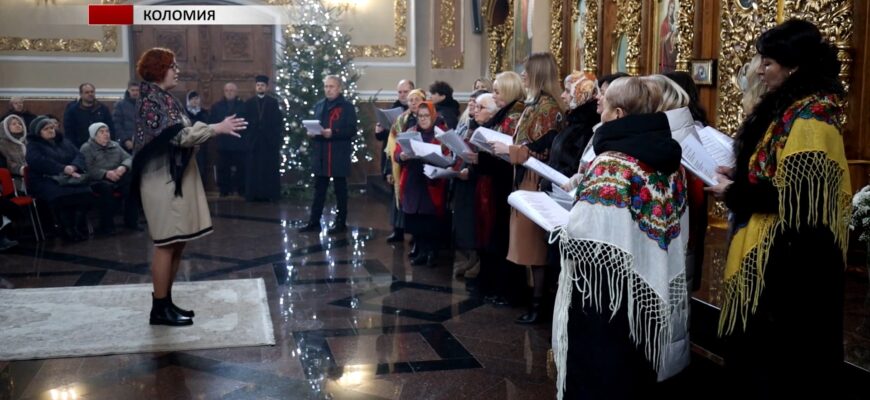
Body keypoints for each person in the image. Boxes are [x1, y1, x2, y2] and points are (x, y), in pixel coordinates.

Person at [705, 19, 851, 394]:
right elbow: (773, 170)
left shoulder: (811, 117)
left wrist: (734, 191)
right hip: (780, 256)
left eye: (768, 62)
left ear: (794, 66)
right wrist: (739, 173)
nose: (759, 69)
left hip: (796, 264)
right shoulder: (788, 109)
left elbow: (798, 200)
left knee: (786, 366)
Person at [553, 76, 689, 399]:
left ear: (618, 115)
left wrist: (561, 227)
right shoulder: (673, 164)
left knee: (601, 374)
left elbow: (584, 234)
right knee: (636, 371)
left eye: (605, 102)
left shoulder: (611, 162)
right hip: (647, 291)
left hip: (605, 296)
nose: (598, 106)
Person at [131, 48, 246, 326]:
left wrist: (210, 129)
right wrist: (214, 128)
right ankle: (159, 309)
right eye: (172, 66)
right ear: (159, 70)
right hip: (161, 182)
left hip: (172, 180)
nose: (177, 71)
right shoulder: (150, 102)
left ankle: (166, 302)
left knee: (177, 242)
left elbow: (182, 132)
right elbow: (178, 136)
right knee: (166, 244)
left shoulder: (164, 99)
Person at [492, 53, 566, 324]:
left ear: (538, 74)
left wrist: (507, 149)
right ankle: (533, 300)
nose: (522, 75)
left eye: (527, 71)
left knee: (535, 248)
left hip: (536, 181)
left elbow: (543, 151)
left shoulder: (548, 107)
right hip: (524, 177)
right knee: (527, 247)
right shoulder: (534, 104)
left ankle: (538, 305)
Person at [473, 72, 526, 307]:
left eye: (497, 91)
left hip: (505, 181)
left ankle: (507, 289)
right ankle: (496, 285)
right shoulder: (506, 114)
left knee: (504, 237)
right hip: (496, 180)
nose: (494, 96)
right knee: (496, 235)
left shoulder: (514, 115)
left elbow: (508, 149)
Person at [299, 75, 358, 234]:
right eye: (326, 86)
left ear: (339, 88)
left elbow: (352, 130)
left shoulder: (347, 107)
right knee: (319, 190)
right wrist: (313, 133)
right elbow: (317, 126)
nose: (328, 89)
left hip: (338, 152)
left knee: (340, 191)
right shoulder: (319, 106)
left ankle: (340, 222)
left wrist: (333, 132)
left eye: (331, 86)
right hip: (322, 153)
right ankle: (314, 221)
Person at [395, 102, 449, 267]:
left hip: (432, 181)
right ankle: (421, 250)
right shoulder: (411, 132)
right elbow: (397, 152)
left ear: (433, 116)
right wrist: (402, 156)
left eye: (426, 116)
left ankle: (432, 252)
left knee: (429, 218)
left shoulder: (442, 134)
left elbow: (448, 155)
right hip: (413, 178)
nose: (423, 119)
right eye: (420, 116)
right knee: (416, 217)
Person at [25, 116, 95, 242]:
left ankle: (77, 227)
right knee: (61, 194)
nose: (51, 130)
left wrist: (74, 166)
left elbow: (79, 155)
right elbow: (37, 161)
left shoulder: (64, 141)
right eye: (46, 129)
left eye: (52, 127)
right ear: (38, 132)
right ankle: (66, 229)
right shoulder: (33, 145)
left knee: (86, 191)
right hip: (44, 179)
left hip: (69, 176)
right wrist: (62, 168)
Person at [451, 89, 488, 277]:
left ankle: (479, 262)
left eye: (478, 103)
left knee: (475, 223)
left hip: (476, 179)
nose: (472, 105)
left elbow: (481, 154)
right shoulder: (470, 122)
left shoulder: (484, 126)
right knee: (465, 222)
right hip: (464, 175)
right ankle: (471, 258)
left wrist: (470, 170)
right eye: (471, 102)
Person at [384, 89, 427, 245]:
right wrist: (389, 169)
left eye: (416, 99)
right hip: (401, 164)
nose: (413, 102)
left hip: (418, 166)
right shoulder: (401, 120)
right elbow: (392, 146)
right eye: (410, 100)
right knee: (399, 200)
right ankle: (399, 230)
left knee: (416, 203)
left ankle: (416, 237)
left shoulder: (426, 119)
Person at [80, 122, 138, 234]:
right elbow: (88, 169)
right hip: (97, 180)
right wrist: (106, 174)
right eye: (101, 132)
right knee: (105, 189)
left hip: (117, 175)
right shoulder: (86, 148)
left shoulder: (115, 145)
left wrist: (123, 167)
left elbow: (129, 158)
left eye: (107, 131)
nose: (106, 134)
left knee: (131, 184)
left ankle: (132, 222)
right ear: (93, 135)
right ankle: (107, 226)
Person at [376, 79, 413, 242]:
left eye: (405, 92)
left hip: (408, 158)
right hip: (392, 157)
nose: (402, 95)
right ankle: (397, 230)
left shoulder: (416, 111)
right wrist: (379, 131)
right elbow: (383, 137)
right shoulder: (393, 109)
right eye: (400, 92)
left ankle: (413, 232)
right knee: (394, 195)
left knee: (409, 195)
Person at [243, 75, 283, 202]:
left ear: (266, 87)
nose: (260, 87)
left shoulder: (273, 102)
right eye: (258, 85)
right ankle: (253, 195)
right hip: (254, 141)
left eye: (262, 85)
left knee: (268, 168)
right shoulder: (249, 103)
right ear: (256, 87)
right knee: (253, 168)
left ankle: (269, 195)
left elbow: (277, 122)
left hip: (268, 141)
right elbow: (245, 121)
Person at [210, 82, 247, 197]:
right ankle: (224, 190)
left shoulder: (243, 105)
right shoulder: (217, 106)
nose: (229, 92)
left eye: (232, 90)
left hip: (239, 142)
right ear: (224, 92)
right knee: (223, 168)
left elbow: (247, 122)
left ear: (236, 92)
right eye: (227, 90)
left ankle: (241, 189)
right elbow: (212, 121)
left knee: (241, 168)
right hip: (223, 142)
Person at [63, 83, 115, 148]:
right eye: (87, 92)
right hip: (79, 146)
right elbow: (69, 132)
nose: (90, 94)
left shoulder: (102, 108)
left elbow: (110, 127)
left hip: (102, 146)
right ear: (81, 94)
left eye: (92, 92)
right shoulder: (72, 111)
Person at [185, 91, 211, 185]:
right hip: (187, 142)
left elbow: (207, 126)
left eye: (196, 99)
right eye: (192, 99)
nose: (194, 101)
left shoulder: (204, 112)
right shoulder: (184, 112)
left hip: (201, 142)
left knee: (201, 164)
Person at [0, 115, 28, 188]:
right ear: (5, 127)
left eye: (20, 124)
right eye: (14, 124)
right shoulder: (2, 144)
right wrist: (21, 169)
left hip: (33, 173)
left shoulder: (26, 141)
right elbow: (8, 163)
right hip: (16, 178)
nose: (18, 125)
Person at [113, 81, 140, 152]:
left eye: (137, 90)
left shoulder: (145, 105)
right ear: (128, 90)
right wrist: (125, 140)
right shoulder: (120, 105)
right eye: (133, 90)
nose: (135, 93)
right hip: (127, 143)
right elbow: (117, 125)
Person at [659, 0, 677, 73]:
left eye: (673, 8)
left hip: (672, 52)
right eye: (670, 7)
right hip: (666, 53)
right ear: (667, 8)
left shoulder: (673, 22)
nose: (671, 10)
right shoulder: (664, 23)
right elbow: (661, 41)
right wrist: (668, 36)